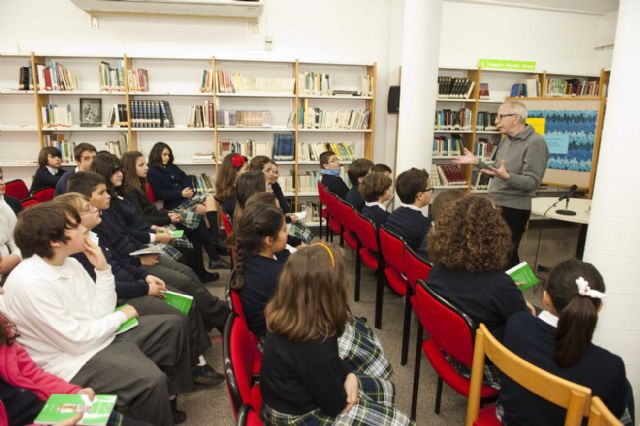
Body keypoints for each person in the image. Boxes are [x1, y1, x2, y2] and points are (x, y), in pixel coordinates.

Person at [2, 202, 193, 425]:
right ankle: (153, 406)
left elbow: (101, 308)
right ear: (54, 242)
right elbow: (76, 341)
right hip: (71, 361)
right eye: (74, 227)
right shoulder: (30, 283)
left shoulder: (70, 262)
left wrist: (102, 269)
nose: (84, 229)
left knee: (172, 325)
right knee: (149, 380)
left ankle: (165, 401)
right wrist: (121, 316)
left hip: (94, 338)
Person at [56, 192, 223, 387]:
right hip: (123, 296)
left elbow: (120, 262)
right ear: (73, 221)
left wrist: (144, 276)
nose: (95, 208)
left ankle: (197, 357)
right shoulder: (78, 252)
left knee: (184, 297)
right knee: (176, 313)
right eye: (88, 208)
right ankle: (194, 365)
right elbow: (111, 286)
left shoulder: (95, 235)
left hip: (133, 283)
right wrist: (144, 287)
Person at [260, 244, 411, 425]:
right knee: (400, 421)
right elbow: (336, 405)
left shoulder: (287, 315)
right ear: (331, 291)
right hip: (297, 417)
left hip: (284, 401)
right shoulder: (318, 342)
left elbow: (331, 363)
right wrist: (350, 379)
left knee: (382, 389)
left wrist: (350, 374)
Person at [67, 172, 230, 337]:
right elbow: (116, 261)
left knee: (186, 272)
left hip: (138, 257)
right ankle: (219, 315)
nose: (108, 195)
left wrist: (148, 247)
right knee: (183, 281)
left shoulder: (105, 213)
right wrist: (141, 261)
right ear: (86, 199)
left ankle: (213, 315)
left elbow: (126, 235)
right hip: (134, 265)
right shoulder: (91, 229)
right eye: (101, 193)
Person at [499, 260, 634, 426]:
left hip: (512, 420)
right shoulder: (610, 367)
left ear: (546, 298)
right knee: (624, 389)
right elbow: (610, 420)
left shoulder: (517, 325)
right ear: (598, 308)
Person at [0, 313, 149, 426]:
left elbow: (32, 374)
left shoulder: (2, 327)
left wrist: (71, 392)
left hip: (50, 410)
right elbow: (76, 339)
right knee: (146, 379)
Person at [454, 101, 549, 267]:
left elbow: (532, 182)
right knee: (495, 252)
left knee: (507, 254)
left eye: (500, 116)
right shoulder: (506, 140)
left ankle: (514, 287)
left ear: (516, 118)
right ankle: (503, 286)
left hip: (515, 209)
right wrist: (477, 162)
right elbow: (499, 170)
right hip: (496, 203)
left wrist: (506, 177)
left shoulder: (536, 143)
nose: (496, 121)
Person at [120, 151, 229, 270]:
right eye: (141, 165)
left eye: (145, 164)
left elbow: (150, 210)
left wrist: (167, 214)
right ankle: (211, 257)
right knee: (194, 226)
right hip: (154, 224)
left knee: (197, 222)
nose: (146, 167)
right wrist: (168, 217)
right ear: (130, 168)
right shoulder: (130, 190)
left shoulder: (141, 184)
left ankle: (209, 260)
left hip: (163, 214)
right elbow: (142, 218)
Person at [231, 202, 290, 339]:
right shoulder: (276, 275)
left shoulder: (248, 257)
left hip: (267, 330)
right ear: (269, 240)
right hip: (274, 337)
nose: (287, 234)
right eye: (284, 230)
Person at [384, 168, 432, 257]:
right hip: (409, 267)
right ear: (420, 196)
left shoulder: (394, 214)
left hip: (394, 261)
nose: (431, 192)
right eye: (430, 189)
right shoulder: (424, 225)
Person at [0, 168, 21, 282]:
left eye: (1, 178)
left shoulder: (6, 206)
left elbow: (17, 241)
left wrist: (15, 257)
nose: (2, 182)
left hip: (9, 269)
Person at [215, 153, 249, 219]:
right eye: (246, 169)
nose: (249, 172)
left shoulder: (231, 192)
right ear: (235, 171)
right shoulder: (234, 198)